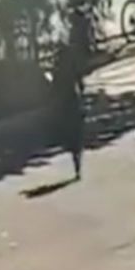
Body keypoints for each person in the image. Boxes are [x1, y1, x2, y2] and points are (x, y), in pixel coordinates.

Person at [51, 43, 85, 180]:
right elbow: (80, 82)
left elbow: (54, 88)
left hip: (65, 106)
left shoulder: (57, 68)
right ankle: (78, 163)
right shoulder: (72, 65)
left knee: (71, 135)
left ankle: (76, 161)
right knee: (78, 135)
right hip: (74, 102)